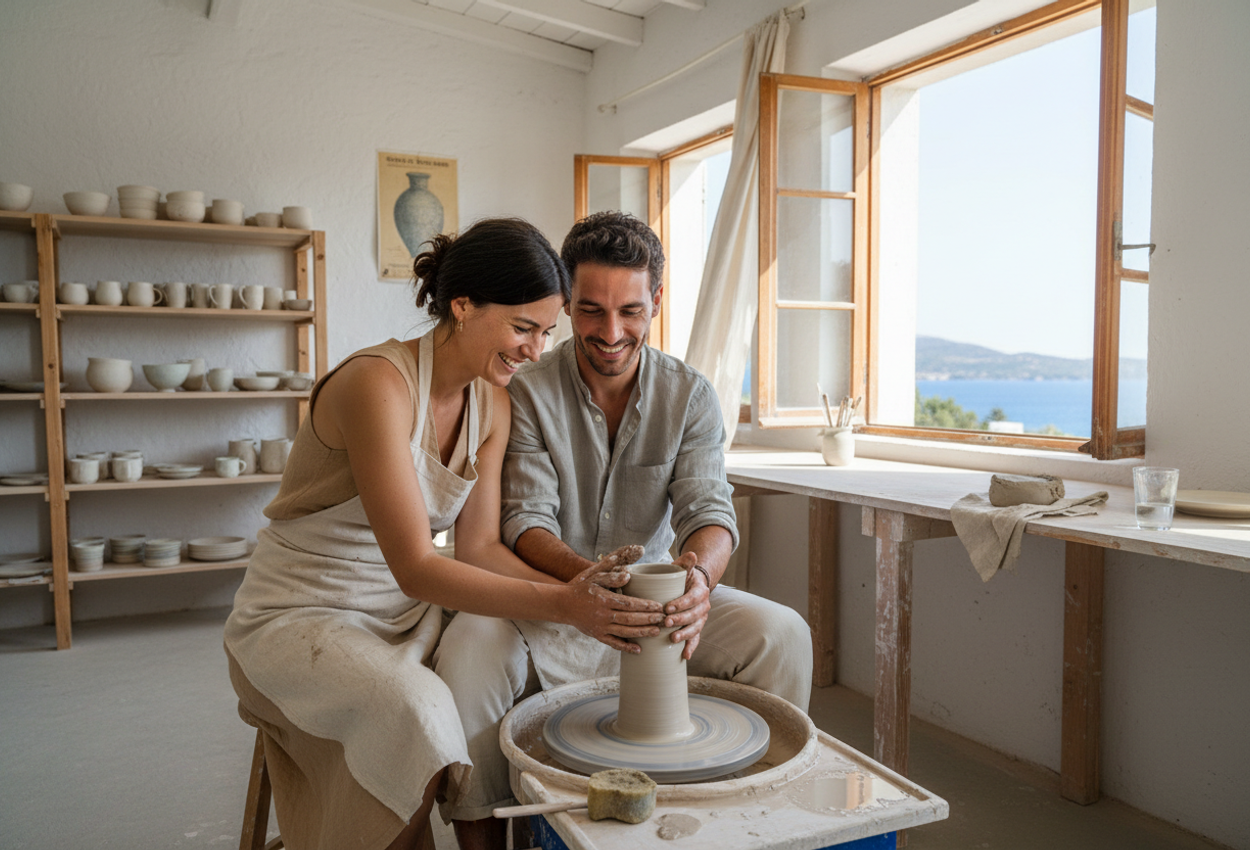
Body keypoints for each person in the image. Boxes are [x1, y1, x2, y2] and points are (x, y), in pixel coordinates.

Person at [223, 218, 666, 850]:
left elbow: (481, 549)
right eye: (521, 327)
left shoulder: (493, 403)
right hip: (298, 614)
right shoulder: (377, 384)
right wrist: (565, 603)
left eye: (547, 330)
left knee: (480, 679)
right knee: (419, 715)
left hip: (402, 614)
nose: (536, 351)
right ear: (462, 306)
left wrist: (581, 587)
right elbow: (417, 567)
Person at [435, 211, 813, 849]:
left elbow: (710, 513)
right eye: (590, 311)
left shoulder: (690, 396)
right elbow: (524, 521)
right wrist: (587, 587)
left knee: (781, 634)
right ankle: (487, 838)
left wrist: (696, 582)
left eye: (630, 311)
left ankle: (740, 824)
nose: (610, 333)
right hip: (550, 595)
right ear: (566, 305)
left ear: (656, 303)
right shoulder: (524, 389)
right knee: (469, 652)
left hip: (659, 598)